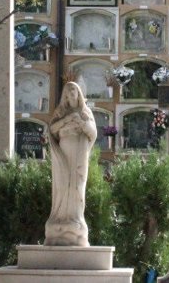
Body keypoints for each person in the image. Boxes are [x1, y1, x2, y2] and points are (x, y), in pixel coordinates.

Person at [44, 82, 97, 247]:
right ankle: (60, 218)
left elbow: (93, 133)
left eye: (73, 89)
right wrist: (66, 120)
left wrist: (81, 123)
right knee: (62, 186)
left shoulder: (85, 112)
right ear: (64, 95)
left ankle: (76, 219)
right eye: (67, 90)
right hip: (64, 151)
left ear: (79, 93)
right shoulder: (60, 111)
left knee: (77, 187)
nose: (70, 92)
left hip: (80, 153)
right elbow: (52, 130)